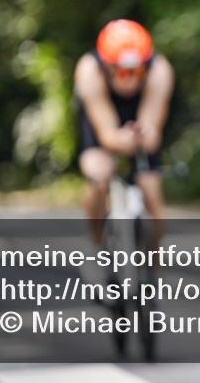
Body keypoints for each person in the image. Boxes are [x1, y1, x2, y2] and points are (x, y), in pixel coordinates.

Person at [74, 19, 174, 246]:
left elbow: (152, 134)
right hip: (101, 121)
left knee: (152, 196)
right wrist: (118, 140)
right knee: (98, 175)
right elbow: (106, 134)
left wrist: (142, 136)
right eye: (121, 71)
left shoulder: (159, 69)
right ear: (106, 67)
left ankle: (153, 259)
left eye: (136, 71)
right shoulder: (89, 70)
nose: (129, 79)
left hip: (139, 120)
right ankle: (98, 242)